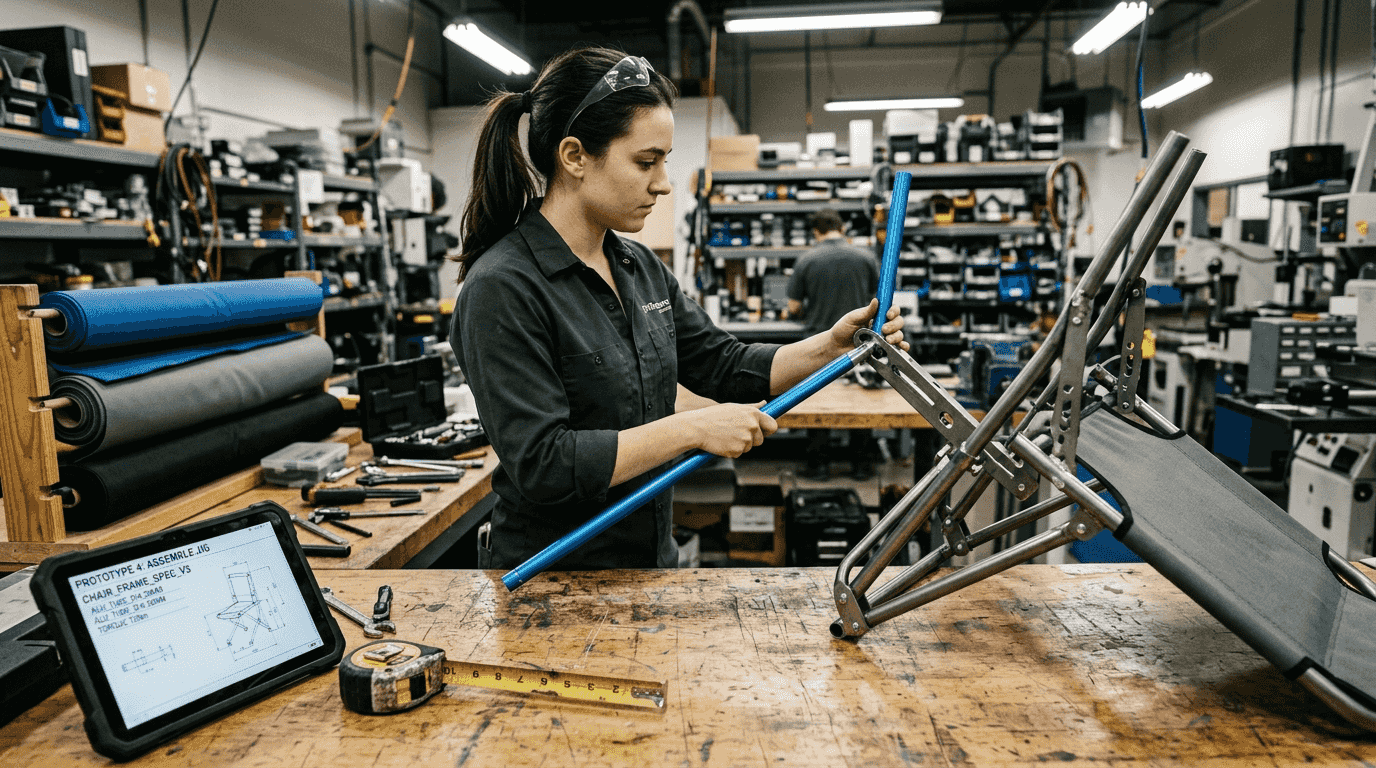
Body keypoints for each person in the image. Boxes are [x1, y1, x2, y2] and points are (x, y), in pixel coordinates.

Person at [450, 47, 907, 570]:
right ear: (574, 156)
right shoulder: (503, 287)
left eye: (664, 161)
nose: (663, 182)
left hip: (647, 563)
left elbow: (724, 364)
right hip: (551, 580)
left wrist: (829, 345)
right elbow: (544, 464)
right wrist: (691, 429)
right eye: (646, 162)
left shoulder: (636, 265)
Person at [787, 209, 882, 481]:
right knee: (860, 399)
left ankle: (819, 466)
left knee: (818, 400)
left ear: (816, 231)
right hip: (859, 341)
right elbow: (877, 300)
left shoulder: (807, 259)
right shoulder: (865, 257)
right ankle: (862, 465)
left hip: (820, 341)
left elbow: (794, 306)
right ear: (842, 228)